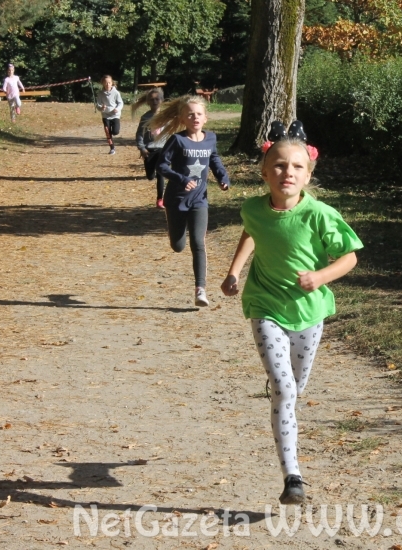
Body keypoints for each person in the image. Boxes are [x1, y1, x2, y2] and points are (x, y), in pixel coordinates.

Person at [220, 121, 363, 504]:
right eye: (280, 166)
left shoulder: (319, 214)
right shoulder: (253, 208)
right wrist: (234, 272)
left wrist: (320, 276)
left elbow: (349, 256)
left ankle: (282, 390)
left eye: (297, 167)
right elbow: (251, 231)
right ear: (265, 172)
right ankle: (292, 477)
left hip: (309, 311)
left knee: (296, 389)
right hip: (265, 304)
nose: (288, 173)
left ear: (308, 174)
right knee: (284, 391)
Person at [152, 95, 230, 307]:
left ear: (205, 118)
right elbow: (161, 166)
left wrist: (223, 177)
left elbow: (214, 160)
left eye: (198, 114)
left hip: (199, 200)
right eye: (190, 114)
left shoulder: (210, 139)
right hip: (176, 199)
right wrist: (182, 178)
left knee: (198, 242)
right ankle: (175, 233)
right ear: (183, 119)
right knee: (178, 246)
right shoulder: (177, 140)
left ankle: (200, 290)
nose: (195, 118)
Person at [131, 87, 168, 208]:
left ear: (162, 100)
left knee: (161, 174)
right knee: (150, 176)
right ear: (148, 102)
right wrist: (142, 148)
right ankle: (151, 172)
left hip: (163, 148)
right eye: (152, 99)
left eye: (157, 99)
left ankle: (160, 199)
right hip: (149, 149)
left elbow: (172, 132)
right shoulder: (145, 118)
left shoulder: (166, 116)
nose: (155, 101)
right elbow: (139, 134)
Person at [96, 75, 123, 155]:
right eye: (106, 83)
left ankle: (113, 132)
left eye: (109, 83)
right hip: (106, 115)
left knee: (115, 132)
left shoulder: (116, 93)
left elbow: (120, 103)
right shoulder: (100, 94)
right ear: (103, 84)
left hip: (115, 115)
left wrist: (117, 109)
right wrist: (101, 107)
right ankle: (112, 148)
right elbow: (98, 105)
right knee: (107, 131)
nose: (107, 84)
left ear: (112, 83)